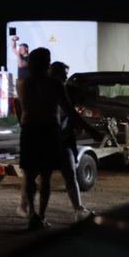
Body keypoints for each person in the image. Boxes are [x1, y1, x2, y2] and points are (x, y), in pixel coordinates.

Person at [19, 48, 101, 230]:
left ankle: (32, 215)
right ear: (47, 64)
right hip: (48, 130)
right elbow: (70, 112)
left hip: (29, 130)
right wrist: (91, 130)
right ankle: (40, 216)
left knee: (30, 175)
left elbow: (22, 108)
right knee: (46, 177)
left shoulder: (24, 83)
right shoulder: (54, 85)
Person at [49, 61, 89, 217]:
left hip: (61, 139)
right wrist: (88, 128)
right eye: (64, 73)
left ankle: (78, 208)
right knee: (66, 176)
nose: (67, 76)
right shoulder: (56, 90)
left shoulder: (62, 90)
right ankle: (31, 210)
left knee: (70, 175)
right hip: (55, 139)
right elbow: (69, 113)